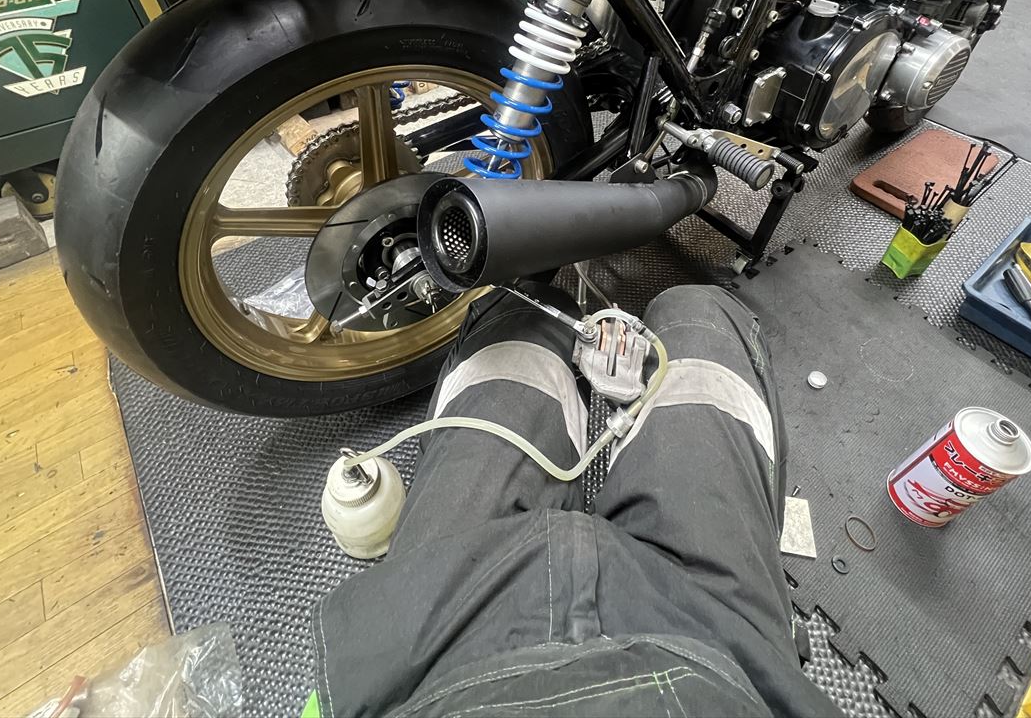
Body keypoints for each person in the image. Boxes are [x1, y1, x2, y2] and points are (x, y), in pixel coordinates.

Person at [313, 283, 839, 717]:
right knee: (698, 311)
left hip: (433, 644)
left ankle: (547, 316)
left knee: (526, 314)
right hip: (719, 647)